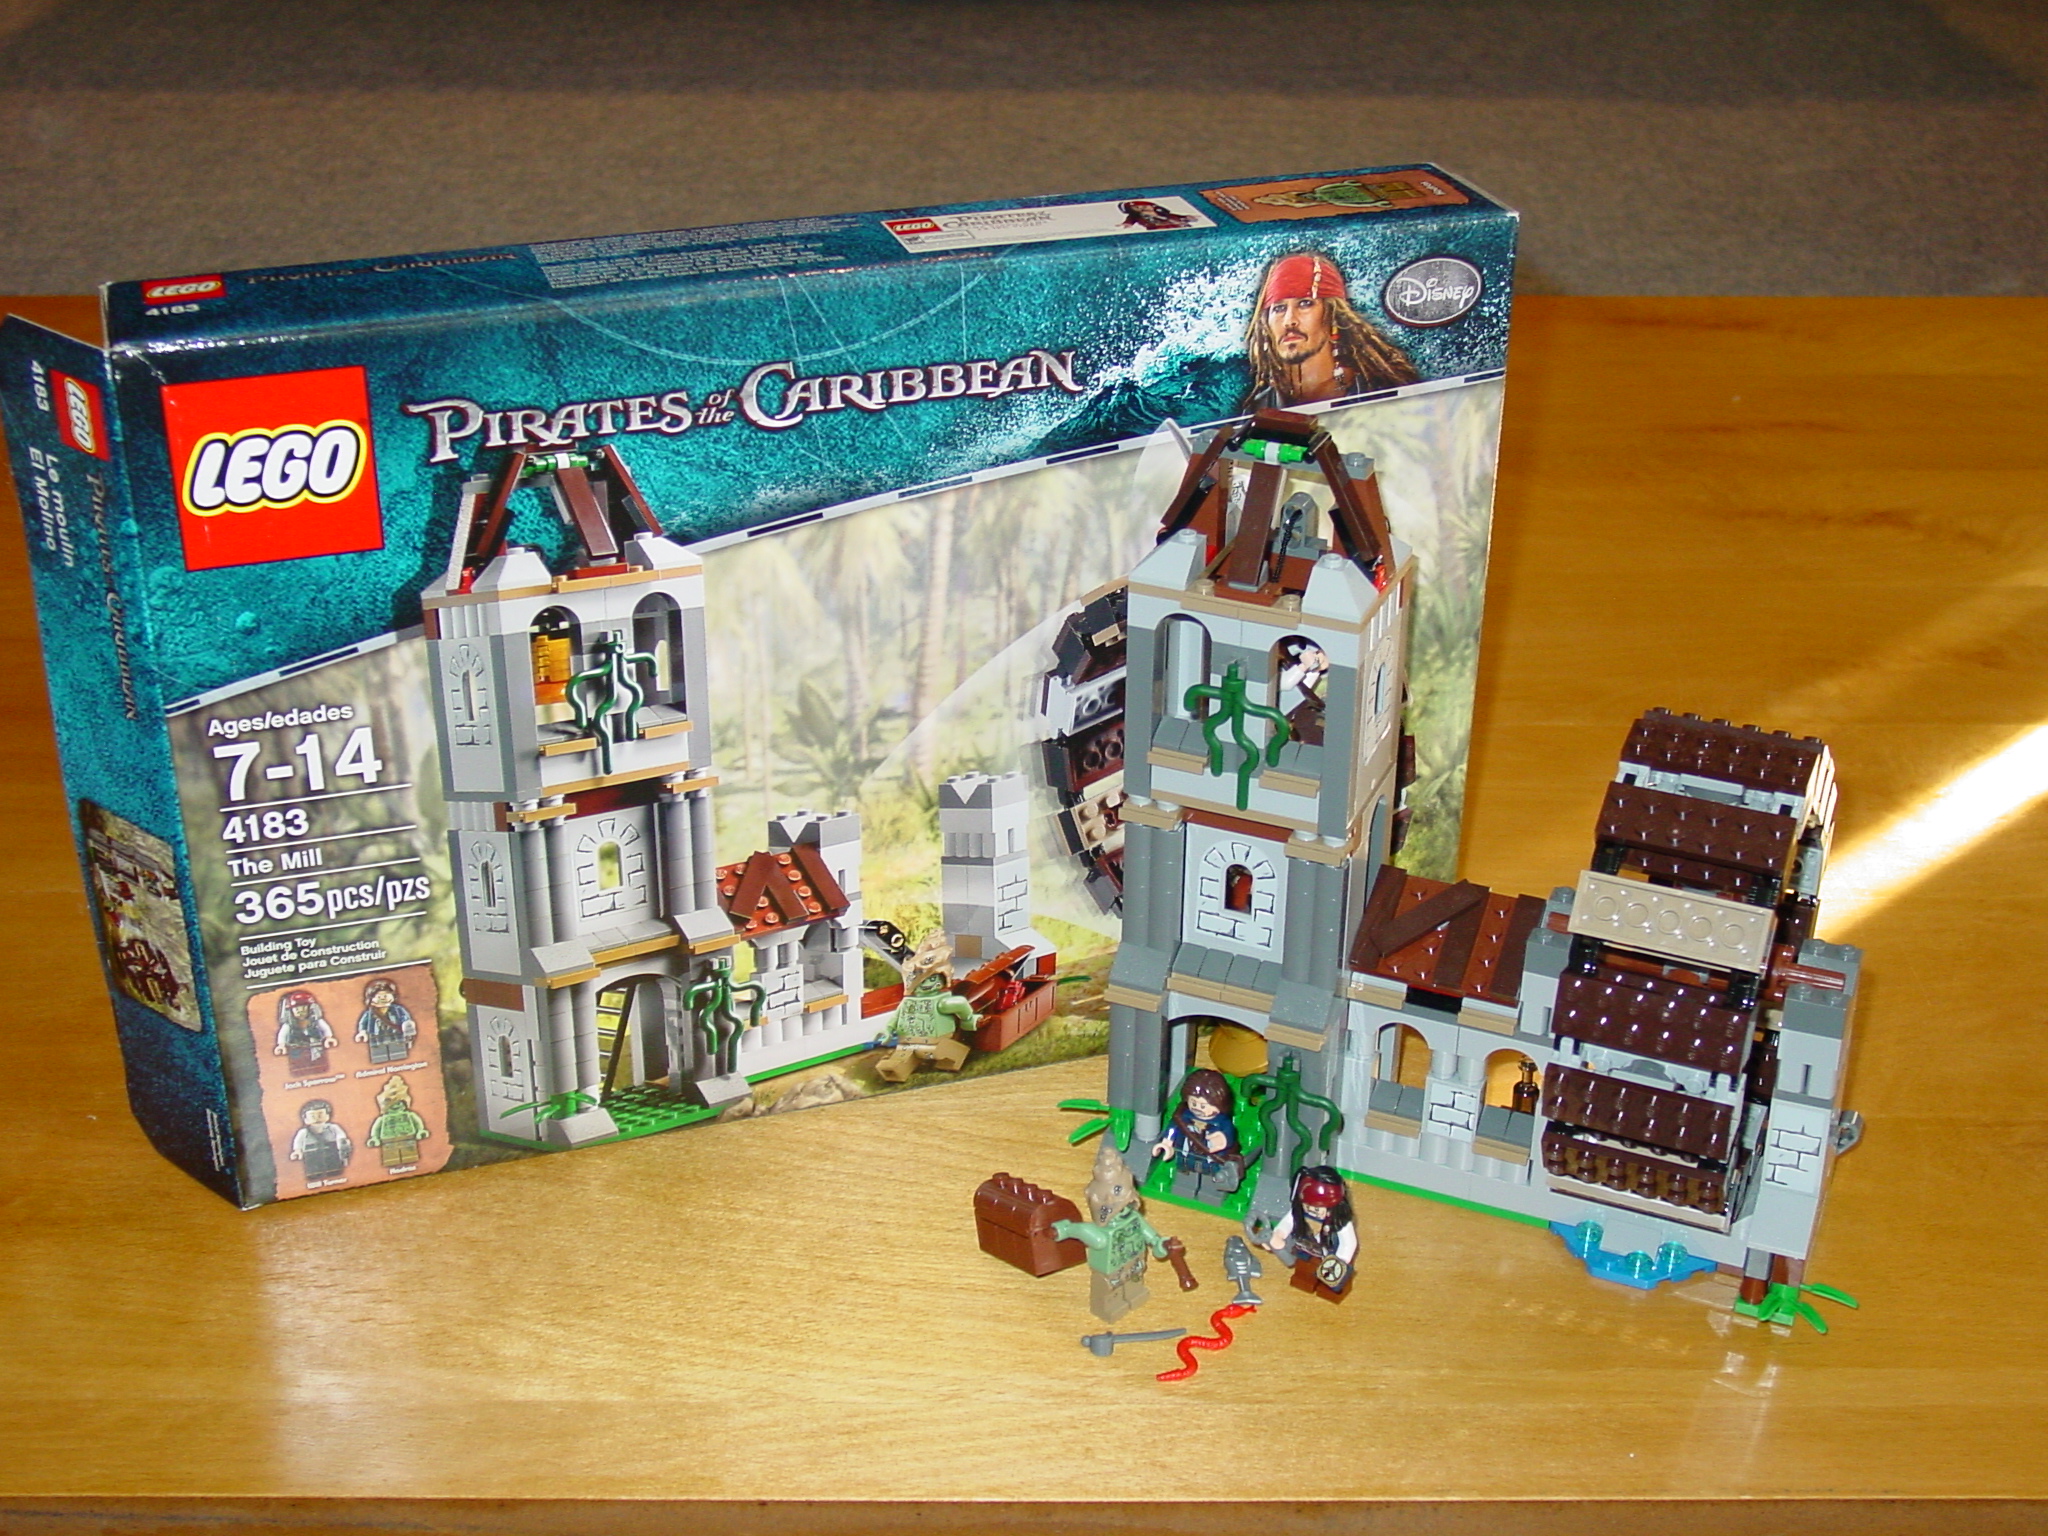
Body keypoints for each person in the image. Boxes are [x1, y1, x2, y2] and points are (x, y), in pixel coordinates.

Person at [1241, 251, 1419, 410]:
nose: (1289, 321)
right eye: (1279, 308)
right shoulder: (1260, 408)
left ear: (1332, 315)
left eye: (1305, 304)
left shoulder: (1380, 390)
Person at [1265, 1164, 1358, 1303]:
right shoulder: (1299, 1212)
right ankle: (1305, 1281)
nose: (1312, 1211)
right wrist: (1278, 1234)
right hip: (1306, 1248)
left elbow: (1349, 1244)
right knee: (1304, 1271)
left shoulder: (1339, 1221)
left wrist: (1338, 1261)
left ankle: (1328, 1290)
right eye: (1308, 1207)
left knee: (1330, 1282)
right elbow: (1288, 1223)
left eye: (1318, 1209)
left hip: (1329, 1256)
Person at [1151, 1067, 1244, 1198]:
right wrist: (1166, 1143)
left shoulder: (1221, 1122)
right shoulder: (1184, 1117)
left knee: (1211, 1180)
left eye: (1203, 1105)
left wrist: (1223, 1139)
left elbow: (1229, 1133)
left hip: (1211, 1160)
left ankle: (1211, 1195)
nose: (1197, 1108)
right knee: (1185, 1178)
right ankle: (1183, 1190)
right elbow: (1173, 1129)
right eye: (1193, 1103)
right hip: (1186, 1155)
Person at [354, 976, 417, 1064]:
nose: (383, 998)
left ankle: (399, 1063)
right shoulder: (370, 1013)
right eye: (379, 996)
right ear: (371, 998)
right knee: (379, 1055)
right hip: (376, 1037)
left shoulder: (398, 1010)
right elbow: (363, 1023)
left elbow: (405, 1018)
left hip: (395, 1035)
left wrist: (407, 1025)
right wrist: (362, 1032)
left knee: (398, 1052)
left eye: (386, 995)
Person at [273, 989, 336, 1076]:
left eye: (304, 1008)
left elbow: (325, 1028)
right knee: (297, 1058)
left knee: (317, 1055)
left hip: (314, 1044)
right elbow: (282, 1034)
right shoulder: (289, 1024)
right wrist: (281, 1045)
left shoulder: (315, 1021)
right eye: (297, 1009)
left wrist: (329, 1038)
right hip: (296, 1045)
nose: (300, 1011)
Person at [289, 1099, 353, 1184]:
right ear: (305, 1119)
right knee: (314, 1173)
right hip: (312, 1155)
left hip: (332, 1152)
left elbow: (341, 1137)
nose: (317, 1118)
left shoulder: (333, 1128)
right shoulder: (304, 1132)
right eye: (312, 1116)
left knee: (334, 1171)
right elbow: (298, 1143)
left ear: (327, 1116)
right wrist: (297, 1151)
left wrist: (342, 1146)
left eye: (320, 1114)